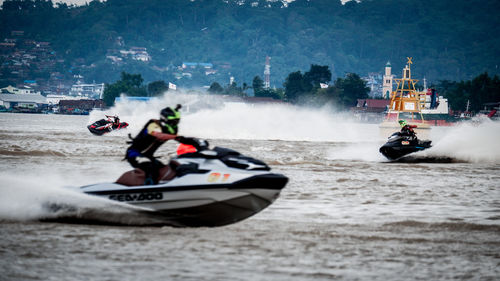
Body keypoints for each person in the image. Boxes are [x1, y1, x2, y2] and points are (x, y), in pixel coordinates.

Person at [124, 104, 181, 185]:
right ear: (164, 119)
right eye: (173, 121)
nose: (175, 123)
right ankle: (146, 189)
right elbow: (157, 134)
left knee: (165, 169)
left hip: (147, 156)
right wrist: (178, 138)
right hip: (134, 154)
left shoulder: (171, 130)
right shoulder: (154, 124)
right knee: (150, 169)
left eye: (177, 121)